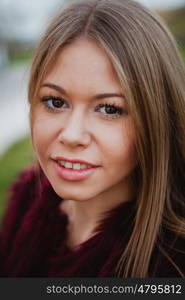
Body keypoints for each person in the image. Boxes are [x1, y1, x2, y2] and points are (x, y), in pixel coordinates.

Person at [0, 0, 185, 278]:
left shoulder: (173, 260)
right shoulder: (28, 198)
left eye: (110, 109)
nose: (72, 135)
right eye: (55, 101)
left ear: (157, 117)